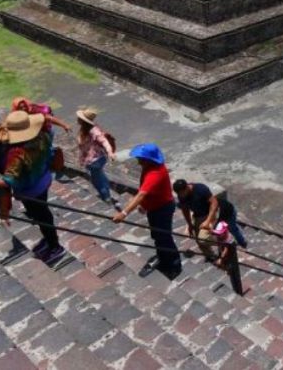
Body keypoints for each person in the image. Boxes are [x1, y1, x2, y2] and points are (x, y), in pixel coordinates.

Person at [0, 110, 62, 264]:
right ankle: (49, 239)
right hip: (43, 180)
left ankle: (54, 246)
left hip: (30, 190)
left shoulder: (17, 154)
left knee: (42, 216)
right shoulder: (43, 135)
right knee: (43, 213)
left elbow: (9, 181)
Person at [114, 143, 181, 279]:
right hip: (155, 207)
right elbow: (147, 192)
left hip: (162, 209)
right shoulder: (149, 167)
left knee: (164, 238)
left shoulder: (155, 173)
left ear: (148, 159)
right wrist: (145, 206)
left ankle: (174, 265)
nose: (138, 160)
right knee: (157, 236)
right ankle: (162, 257)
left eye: (141, 158)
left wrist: (124, 213)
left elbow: (141, 194)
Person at [174, 178, 247, 260]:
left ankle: (237, 242)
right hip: (200, 215)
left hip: (221, 213)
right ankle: (211, 256)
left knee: (233, 228)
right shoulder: (182, 196)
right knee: (199, 239)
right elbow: (185, 209)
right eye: (179, 194)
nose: (181, 196)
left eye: (182, 193)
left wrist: (207, 221)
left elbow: (214, 203)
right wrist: (190, 224)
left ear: (187, 187)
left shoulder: (200, 189)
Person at [74, 108, 117, 206]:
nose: (77, 118)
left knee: (97, 181)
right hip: (96, 159)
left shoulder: (93, 131)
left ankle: (106, 198)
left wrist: (110, 152)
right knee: (99, 174)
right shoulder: (85, 129)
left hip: (94, 161)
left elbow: (104, 141)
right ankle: (106, 187)